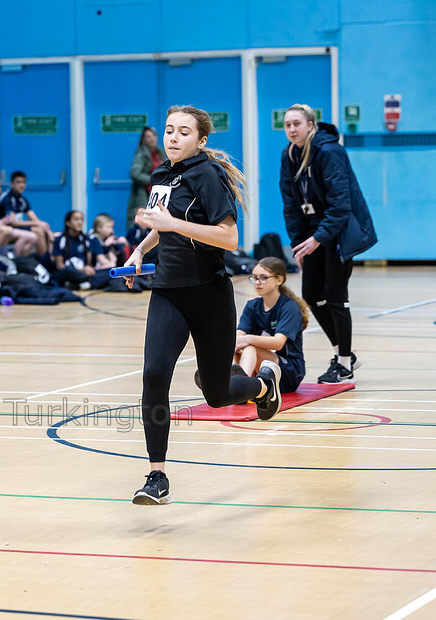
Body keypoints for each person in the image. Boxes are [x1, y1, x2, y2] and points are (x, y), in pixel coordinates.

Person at [121, 105, 283, 506]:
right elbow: (162, 226)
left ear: (201, 140)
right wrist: (139, 252)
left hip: (209, 294)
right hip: (168, 291)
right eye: (169, 130)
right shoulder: (160, 175)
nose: (173, 138)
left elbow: (229, 238)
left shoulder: (207, 175)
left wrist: (175, 224)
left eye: (183, 132)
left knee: (216, 394)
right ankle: (157, 477)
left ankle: (263, 385)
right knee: (154, 374)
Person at [281, 103, 377, 383]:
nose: (292, 129)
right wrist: (299, 244)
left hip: (338, 231)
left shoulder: (330, 151)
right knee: (311, 294)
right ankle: (344, 352)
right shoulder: (288, 156)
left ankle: (344, 364)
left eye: (297, 123)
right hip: (312, 234)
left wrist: (318, 239)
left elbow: (340, 206)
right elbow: (290, 205)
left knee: (335, 296)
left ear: (310, 125)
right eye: (287, 125)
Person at [195, 257, 308, 395]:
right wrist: (237, 343)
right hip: (260, 368)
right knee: (238, 346)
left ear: (279, 280)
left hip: (288, 371)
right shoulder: (252, 306)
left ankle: (239, 388)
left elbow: (278, 343)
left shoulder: (289, 307)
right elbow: (239, 334)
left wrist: (247, 339)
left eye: (263, 278)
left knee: (249, 346)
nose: (257, 282)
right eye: (254, 278)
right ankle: (224, 380)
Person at [0, 171, 54, 257]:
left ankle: (49, 259)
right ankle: (44, 261)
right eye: (18, 182)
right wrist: (36, 223)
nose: (22, 185)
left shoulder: (22, 200)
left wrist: (45, 227)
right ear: (11, 184)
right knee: (38, 231)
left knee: (42, 227)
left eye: (23, 182)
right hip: (6, 229)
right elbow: (13, 222)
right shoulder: (7, 198)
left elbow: (34, 218)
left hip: (18, 228)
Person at [52, 211, 104, 289]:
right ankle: (88, 283)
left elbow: (88, 264)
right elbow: (60, 266)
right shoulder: (60, 240)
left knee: (109, 272)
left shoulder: (87, 240)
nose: (80, 222)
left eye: (81, 219)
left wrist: (88, 269)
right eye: (76, 219)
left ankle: (80, 284)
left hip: (84, 274)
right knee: (68, 270)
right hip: (71, 272)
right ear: (68, 223)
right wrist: (82, 270)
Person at [128, 126, 166, 231]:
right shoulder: (141, 154)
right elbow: (134, 173)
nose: (152, 138)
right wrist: (154, 180)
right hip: (144, 194)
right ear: (143, 139)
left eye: (153, 135)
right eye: (148, 136)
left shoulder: (162, 152)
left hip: (160, 193)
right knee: (142, 224)